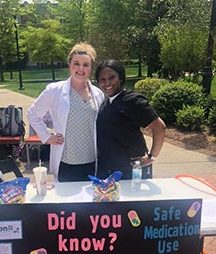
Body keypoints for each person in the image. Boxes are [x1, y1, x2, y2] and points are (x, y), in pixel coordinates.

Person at [27, 42, 104, 182]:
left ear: (91, 67)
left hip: (91, 160)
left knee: (89, 202)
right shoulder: (54, 90)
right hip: (66, 161)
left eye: (86, 65)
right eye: (76, 63)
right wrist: (47, 137)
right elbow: (33, 114)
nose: (81, 69)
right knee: (67, 203)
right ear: (69, 64)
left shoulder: (98, 94)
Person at [95, 59, 166, 179]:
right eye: (102, 79)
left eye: (112, 77)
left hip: (131, 169)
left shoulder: (133, 101)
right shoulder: (107, 102)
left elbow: (159, 127)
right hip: (109, 168)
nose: (107, 83)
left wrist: (152, 156)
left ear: (121, 78)